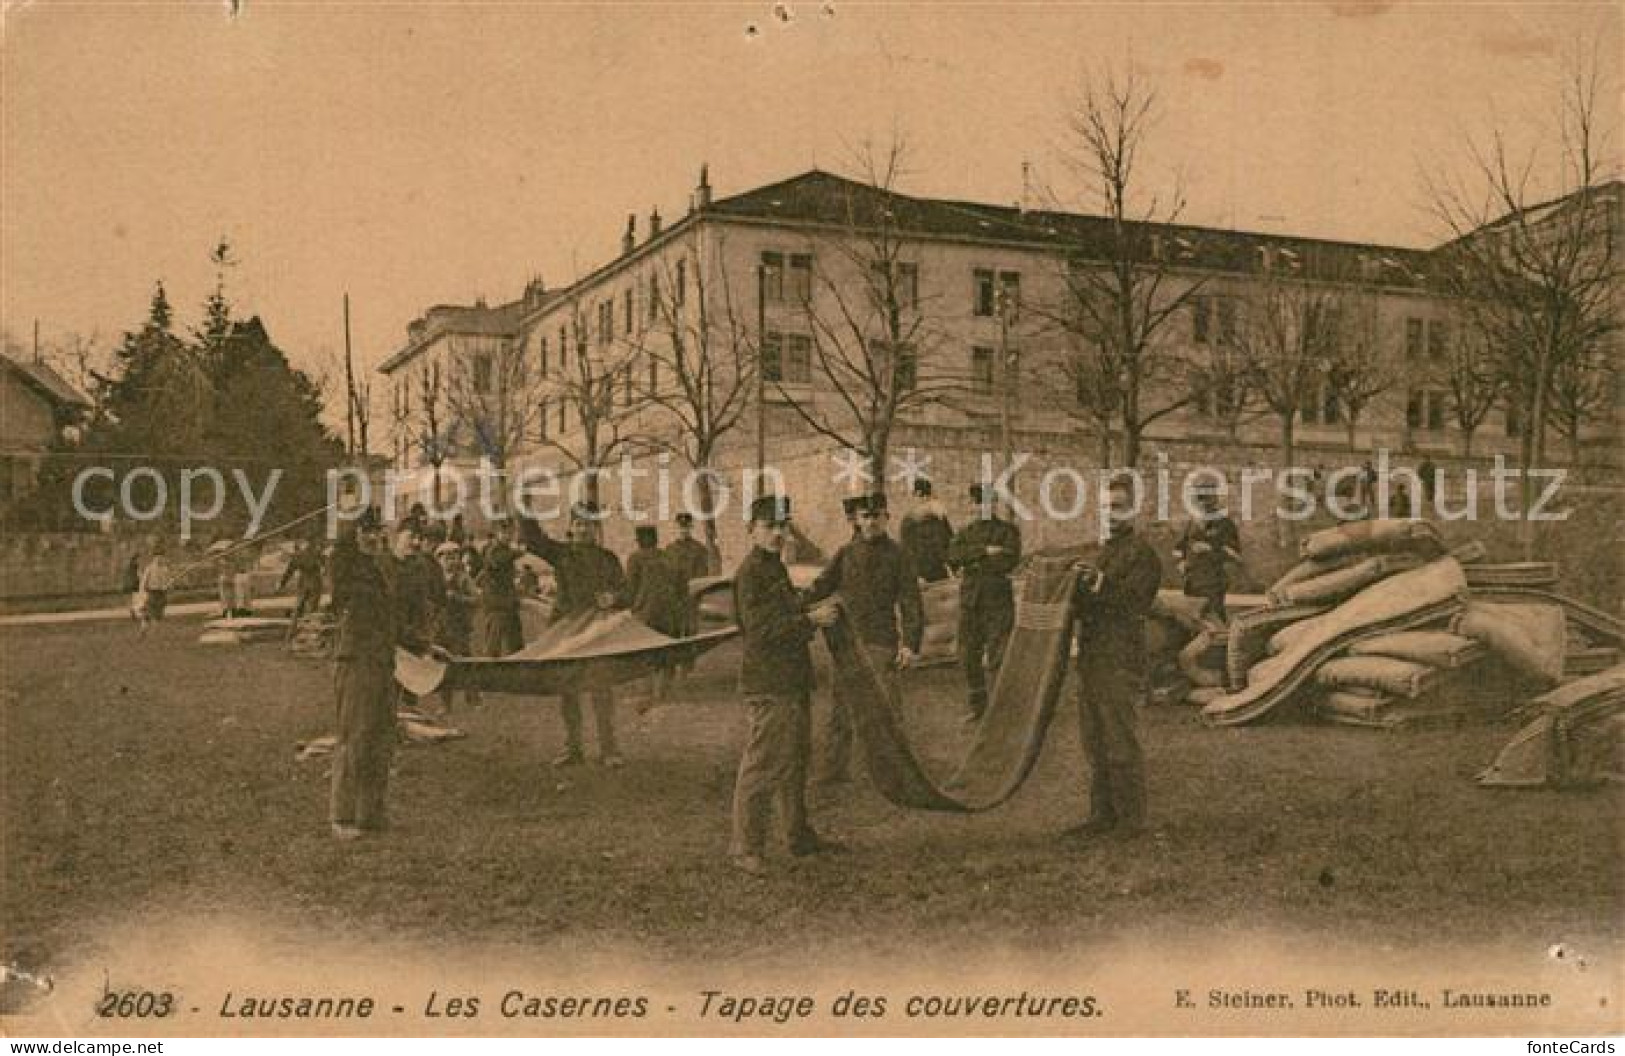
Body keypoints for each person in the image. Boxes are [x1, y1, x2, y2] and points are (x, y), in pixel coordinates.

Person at [728, 494, 843, 877]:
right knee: (762, 764)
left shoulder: (773, 568)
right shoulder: (750, 573)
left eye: (782, 526)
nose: (778, 533)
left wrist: (807, 610)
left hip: (790, 680)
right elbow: (761, 632)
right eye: (769, 526)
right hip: (769, 682)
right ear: (751, 530)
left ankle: (798, 836)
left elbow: (782, 615)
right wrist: (811, 621)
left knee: (794, 761)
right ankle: (746, 848)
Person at [1066, 474, 1162, 844]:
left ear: (1135, 509)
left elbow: (1134, 601)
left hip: (1121, 656)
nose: (1110, 514)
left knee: (1120, 738)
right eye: (1106, 507)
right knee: (1094, 739)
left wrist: (1099, 583)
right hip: (1093, 656)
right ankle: (1101, 815)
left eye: (1119, 507)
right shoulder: (1101, 552)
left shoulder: (1143, 555)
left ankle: (1130, 820)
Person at [804, 492, 923, 784]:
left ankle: (897, 774)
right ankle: (834, 770)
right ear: (855, 520)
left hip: (882, 642)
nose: (871, 522)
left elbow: (911, 602)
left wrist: (909, 644)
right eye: (865, 517)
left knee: (888, 710)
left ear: (887, 518)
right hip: (847, 644)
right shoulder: (845, 554)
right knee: (840, 710)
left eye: (877, 516)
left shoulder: (899, 555)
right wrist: (789, 604)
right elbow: (819, 588)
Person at [519, 503, 628, 768]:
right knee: (568, 690)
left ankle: (609, 749)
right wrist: (524, 507)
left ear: (596, 529)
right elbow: (533, 540)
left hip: (597, 631)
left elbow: (626, 591)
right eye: (579, 524)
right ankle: (573, 749)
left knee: (601, 689)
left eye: (589, 525)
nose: (583, 530)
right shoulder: (562, 553)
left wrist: (613, 597)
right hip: (565, 631)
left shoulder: (608, 558)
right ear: (571, 527)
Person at [329, 508, 401, 840]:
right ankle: (342, 817)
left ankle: (370, 813)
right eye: (364, 532)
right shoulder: (347, 567)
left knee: (380, 739)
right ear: (354, 536)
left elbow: (389, 621)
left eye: (375, 531)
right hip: (356, 660)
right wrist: (351, 520)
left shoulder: (379, 570)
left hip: (382, 662)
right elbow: (340, 559)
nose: (372, 538)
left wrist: (424, 646)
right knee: (354, 737)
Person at [946, 483, 1022, 721]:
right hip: (971, 602)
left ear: (995, 505)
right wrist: (985, 551)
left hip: (997, 601)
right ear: (973, 505)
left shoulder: (1008, 531)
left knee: (999, 657)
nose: (983, 508)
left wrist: (973, 560)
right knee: (967, 655)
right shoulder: (965, 532)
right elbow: (953, 556)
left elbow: (1009, 561)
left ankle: (1002, 711)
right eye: (978, 503)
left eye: (988, 503)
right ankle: (978, 708)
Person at [625, 525, 686, 703]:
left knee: (645, 654)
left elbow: (630, 589)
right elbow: (682, 588)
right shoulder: (670, 557)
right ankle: (663, 694)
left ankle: (648, 694)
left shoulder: (635, 558)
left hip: (646, 614)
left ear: (639, 541)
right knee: (665, 654)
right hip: (670, 615)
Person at [1172, 482, 1241, 625]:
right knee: (1193, 620)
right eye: (1200, 499)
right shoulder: (1191, 523)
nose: (1203, 503)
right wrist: (1180, 562)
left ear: (1215, 499)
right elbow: (1178, 549)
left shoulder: (1225, 524)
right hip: (1191, 581)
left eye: (1207, 498)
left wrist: (1211, 549)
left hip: (1213, 582)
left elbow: (1236, 555)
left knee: (1215, 619)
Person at [434, 542, 481, 714]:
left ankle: (473, 698)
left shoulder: (463, 578)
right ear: (439, 560)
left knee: (464, 663)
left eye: (453, 557)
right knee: (442, 665)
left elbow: (476, 600)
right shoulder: (435, 579)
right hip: (440, 628)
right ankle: (445, 704)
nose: (449, 561)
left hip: (459, 627)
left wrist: (456, 597)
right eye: (445, 557)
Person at [474, 519, 524, 660]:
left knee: (515, 641)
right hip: (496, 603)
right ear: (497, 533)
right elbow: (498, 561)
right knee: (494, 642)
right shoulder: (494, 550)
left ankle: (517, 665)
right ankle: (490, 668)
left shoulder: (506, 550)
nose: (507, 536)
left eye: (510, 532)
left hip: (508, 601)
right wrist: (518, 552)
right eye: (504, 532)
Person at [898, 478, 954, 583]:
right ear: (915, 496)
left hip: (941, 572)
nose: (925, 499)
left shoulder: (940, 519)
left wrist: (952, 567)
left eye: (927, 496)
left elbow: (950, 542)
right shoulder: (909, 522)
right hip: (921, 575)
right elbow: (907, 551)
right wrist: (916, 575)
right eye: (920, 496)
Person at [279, 538, 326, 637]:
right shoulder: (317, 554)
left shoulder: (298, 556)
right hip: (315, 582)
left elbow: (289, 572)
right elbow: (325, 567)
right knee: (312, 609)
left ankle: (291, 632)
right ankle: (309, 633)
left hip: (303, 582)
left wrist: (282, 584)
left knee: (298, 608)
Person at [136, 542, 175, 633]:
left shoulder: (165, 569)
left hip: (161, 594)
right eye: (157, 557)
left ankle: (153, 632)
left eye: (161, 557)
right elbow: (143, 582)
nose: (159, 559)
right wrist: (142, 593)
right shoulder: (149, 568)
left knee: (157, 614)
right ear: (153, 558)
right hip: (152, 593)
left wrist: (169, 585)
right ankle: (144, 629)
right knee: (147, 613)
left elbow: (169, 582)